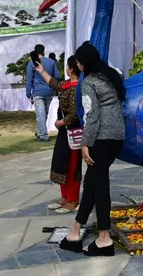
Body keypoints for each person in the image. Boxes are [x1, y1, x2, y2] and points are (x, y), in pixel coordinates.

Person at [60, 42, 125, 256]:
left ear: (82, 63)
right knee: (92, 182)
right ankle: (75, 231)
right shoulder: (110, 76)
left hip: (101, 137)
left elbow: (92, 115)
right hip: (117, 137)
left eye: (77, 61)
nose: (76, 64)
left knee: (100, 185)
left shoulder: (88, 82)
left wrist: (85, 144)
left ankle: (104, 238)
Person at [35, 56, 82, 213]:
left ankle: (73, 200)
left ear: (70, 69)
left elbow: (75, 113)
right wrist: (41, 71)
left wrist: (61, 122)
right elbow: (54, 83)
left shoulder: (77, 88)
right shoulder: (67, 85)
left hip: (73, 131)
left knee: (72, 166)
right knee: (62, 163)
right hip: (64, 132)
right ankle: (65, 197)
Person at [26, 44, 59, 141]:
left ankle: (44, 136)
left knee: (40, 114)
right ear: (44, 51)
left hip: (38, 91)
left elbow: (29, 80)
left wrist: (28, 93)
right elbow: (56, 76)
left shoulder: (32, 63)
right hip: (49, 90)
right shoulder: (51, 62)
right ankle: (40, 131)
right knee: (45, 113)